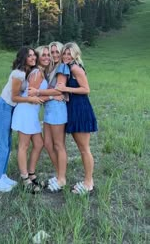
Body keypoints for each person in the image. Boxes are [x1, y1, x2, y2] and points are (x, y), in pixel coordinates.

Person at [0, 47, 42, 192]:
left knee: (7, 142)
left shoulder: (26, 72)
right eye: (29, 56)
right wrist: (31, 99)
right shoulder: (18, 74)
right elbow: (14, 97)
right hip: (4, 107)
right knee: (1, 142)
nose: (33, 58)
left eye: (34, 55)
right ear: (23, 57)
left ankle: (0, 174)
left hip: (9, 108)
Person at [11, 46, 54, 193]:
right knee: (23, 146)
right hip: (26, 111)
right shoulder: (36, 73)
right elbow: (31, 94)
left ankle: (31, 173)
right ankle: (25, 178)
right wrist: (54, 95)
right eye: (43, 55)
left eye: (49, 55)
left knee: (39, 143)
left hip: (32, 113)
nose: (46, 57)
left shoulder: (40, 72)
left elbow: (37, 94)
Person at [57, 42, 98, 194]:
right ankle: (88, 180)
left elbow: (86, 89)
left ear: (75, 55)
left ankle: (88, 183)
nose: (66, 56)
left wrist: (65, 89)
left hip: (81, 109)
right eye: (64, 53)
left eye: (69, 54)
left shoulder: (75, 67)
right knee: (82, 148)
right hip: (73, 109)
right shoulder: (68, 67)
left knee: (84, 149)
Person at [28, 42, 70, 192]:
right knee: (47, 144)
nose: (55, 55)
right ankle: (59, 173)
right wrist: (51, 95)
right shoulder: (50, 68)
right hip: (49, 110)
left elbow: (59, 90)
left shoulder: (62, 67)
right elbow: (54, 92)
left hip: (58, 110)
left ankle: (62, 179)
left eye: (57, 52)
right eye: (52, 52)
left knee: (59, 145)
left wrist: (38, 93)